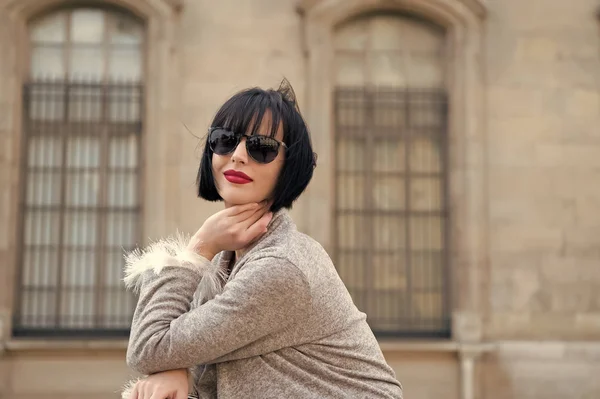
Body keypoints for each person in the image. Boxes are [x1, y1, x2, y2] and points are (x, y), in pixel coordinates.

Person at [121, 80, 403, 399]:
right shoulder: (229, 258)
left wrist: (197, 248)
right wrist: (176, 368)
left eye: (262, 147)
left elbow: (149, 347)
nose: (239, 156)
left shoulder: (280, 267)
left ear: (289, 166)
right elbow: (177, 346)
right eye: (225, 141)